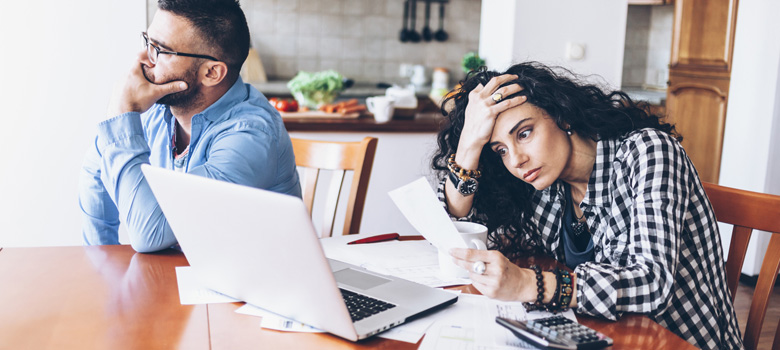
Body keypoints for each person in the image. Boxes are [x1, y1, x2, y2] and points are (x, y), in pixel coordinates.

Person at [432, 62, 743, 349]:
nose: (516, 160)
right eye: (500, 150)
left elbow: (653, 282)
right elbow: (454, 223)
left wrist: (529, 284)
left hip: (676, 342)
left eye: (524, 134)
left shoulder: (648, 152)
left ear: (562, 116)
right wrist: (469, 143)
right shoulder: (545, 186)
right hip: (606, 336)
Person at [79, 0, 301, 253]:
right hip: (188, 278)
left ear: (212, 73)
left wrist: (122, 112)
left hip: (256, 287)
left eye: (160, 50)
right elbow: (95, 172)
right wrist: (102, 258)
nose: (141, 60)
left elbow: (148, 234)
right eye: (147, 42)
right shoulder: (159, 112)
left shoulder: (250, 136)